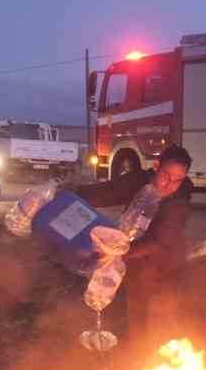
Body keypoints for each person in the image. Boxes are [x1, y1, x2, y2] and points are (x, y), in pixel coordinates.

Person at [78, 145, 194, 355]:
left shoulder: (179, 199)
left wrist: (119, 252)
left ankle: (163, 357)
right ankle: (139, 359)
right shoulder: (139, 181)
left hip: (167, 265)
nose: (169, 186)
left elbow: (160, 240)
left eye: (177, 180)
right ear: (156, 167)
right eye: (166, 176)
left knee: (165, 316)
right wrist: (69, 192)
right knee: (138, 314)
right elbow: (108, 192)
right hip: (137, 265)